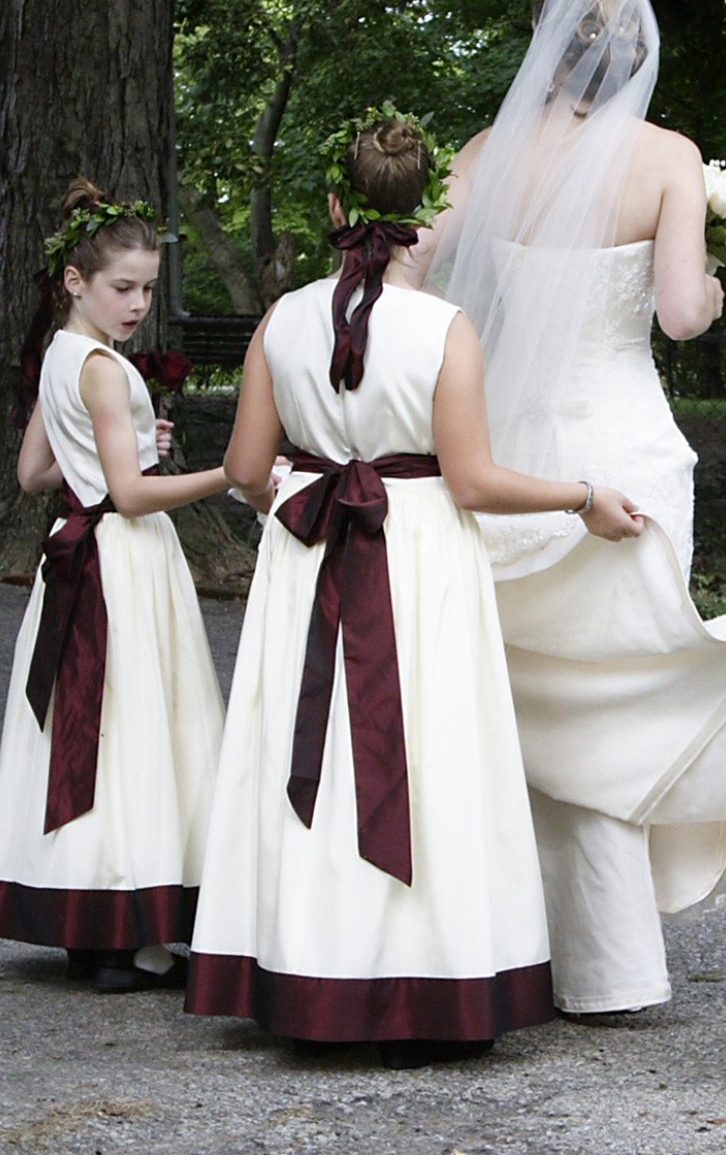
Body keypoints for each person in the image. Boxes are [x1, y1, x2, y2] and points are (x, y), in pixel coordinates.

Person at [184, 109, 641, 1067]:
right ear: (427, 209)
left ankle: (308, 969)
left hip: (312, 550)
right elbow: (473, 481)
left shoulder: (283, 318)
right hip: (418, 551)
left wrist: (313, 474)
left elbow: (241, 463)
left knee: (313, 747)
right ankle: (429, 976)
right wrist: (586, 494)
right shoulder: (445, 328)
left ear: (336, 204)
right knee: (425, 750)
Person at [426, 0, 726, 1018]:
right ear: (637, 50)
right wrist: (718, 280)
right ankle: (611, 967)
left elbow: (417, 262)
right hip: (622, 446)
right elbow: (681, 314)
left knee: (511, 691)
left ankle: (506, 944)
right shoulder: (667, 157)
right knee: (618, 688)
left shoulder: (485, 154)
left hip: (508, 440)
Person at [0, 180, 233, 993]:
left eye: (149, 288)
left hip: (74, 552)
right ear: (76, 280)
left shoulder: (59, 352)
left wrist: (118, 442)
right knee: (135, 733)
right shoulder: (101, 368)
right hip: (119, 557)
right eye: (123, 287)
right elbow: (126, 497)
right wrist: (229, 472)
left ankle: (94, 928)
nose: (138, 304)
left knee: (92, 732)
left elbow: (32, 474)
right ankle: (132, 931)